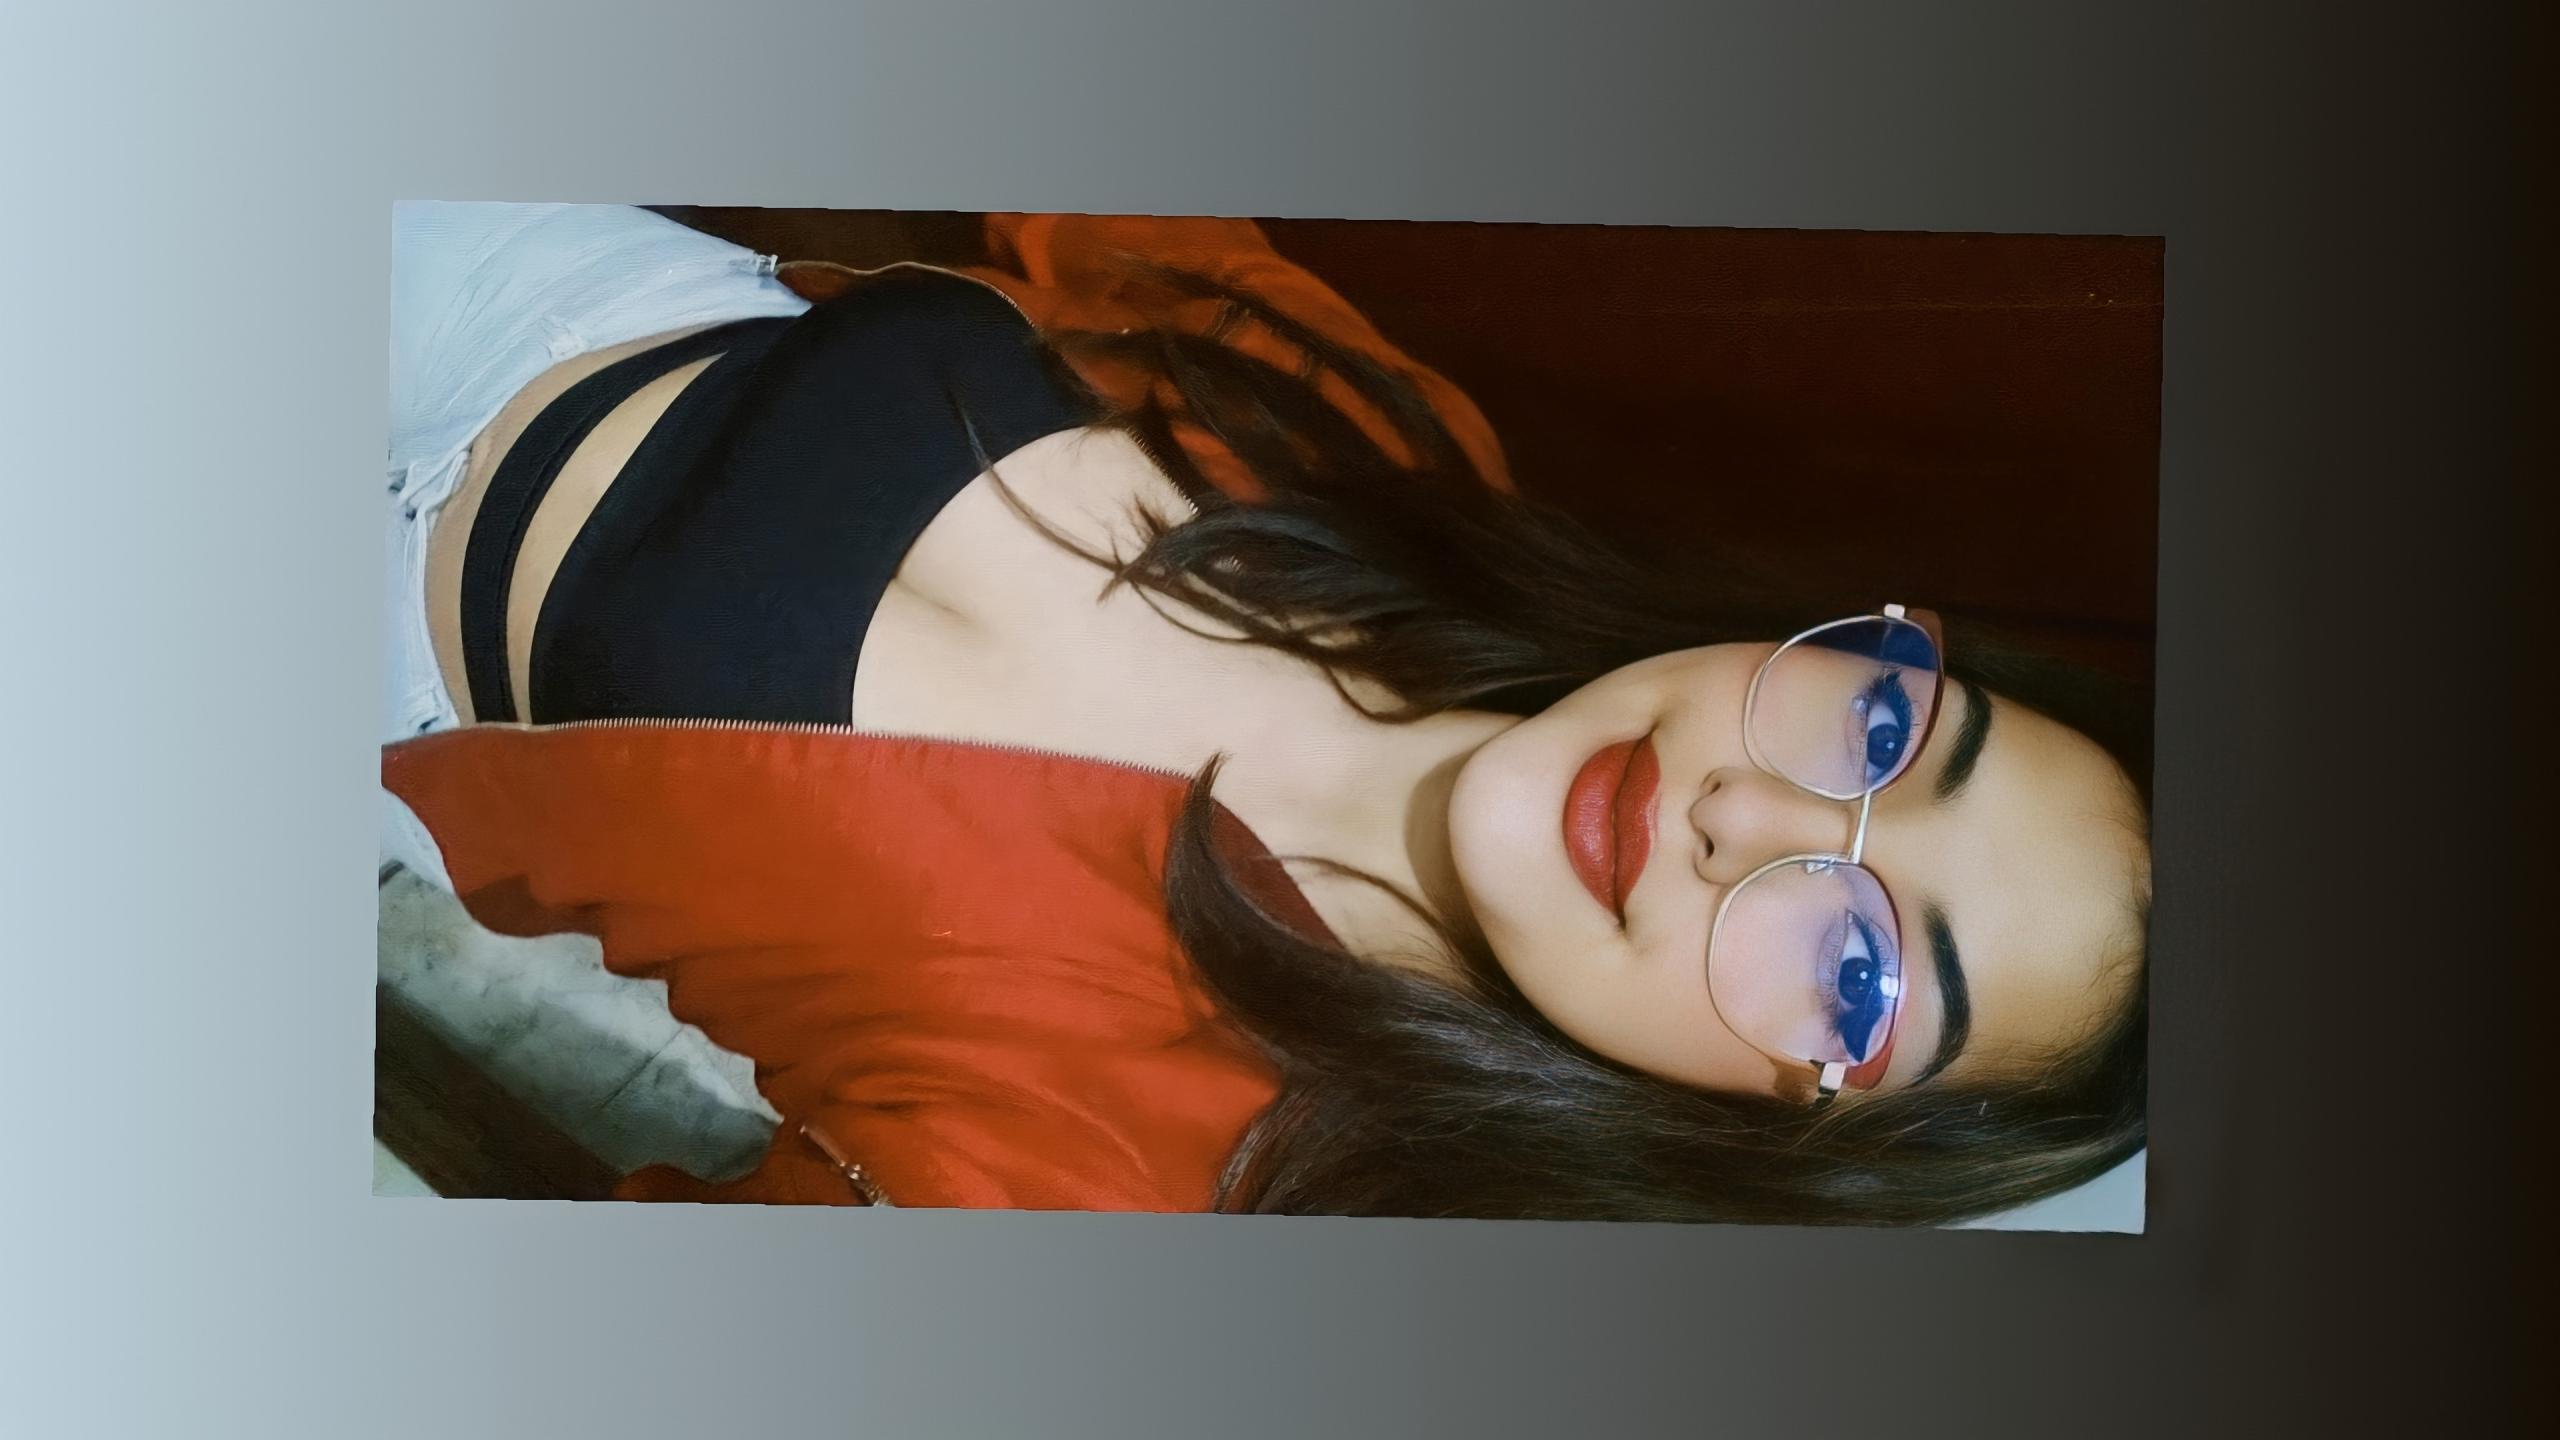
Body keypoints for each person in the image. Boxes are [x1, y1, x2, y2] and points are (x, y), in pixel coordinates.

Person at [381, 202, 2150, 1223]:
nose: (1746, 817)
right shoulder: (1401, 461)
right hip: (553, 282)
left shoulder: (1128, 1169)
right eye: (1886, 739)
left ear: (1789, 1134)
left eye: (1859, 973)